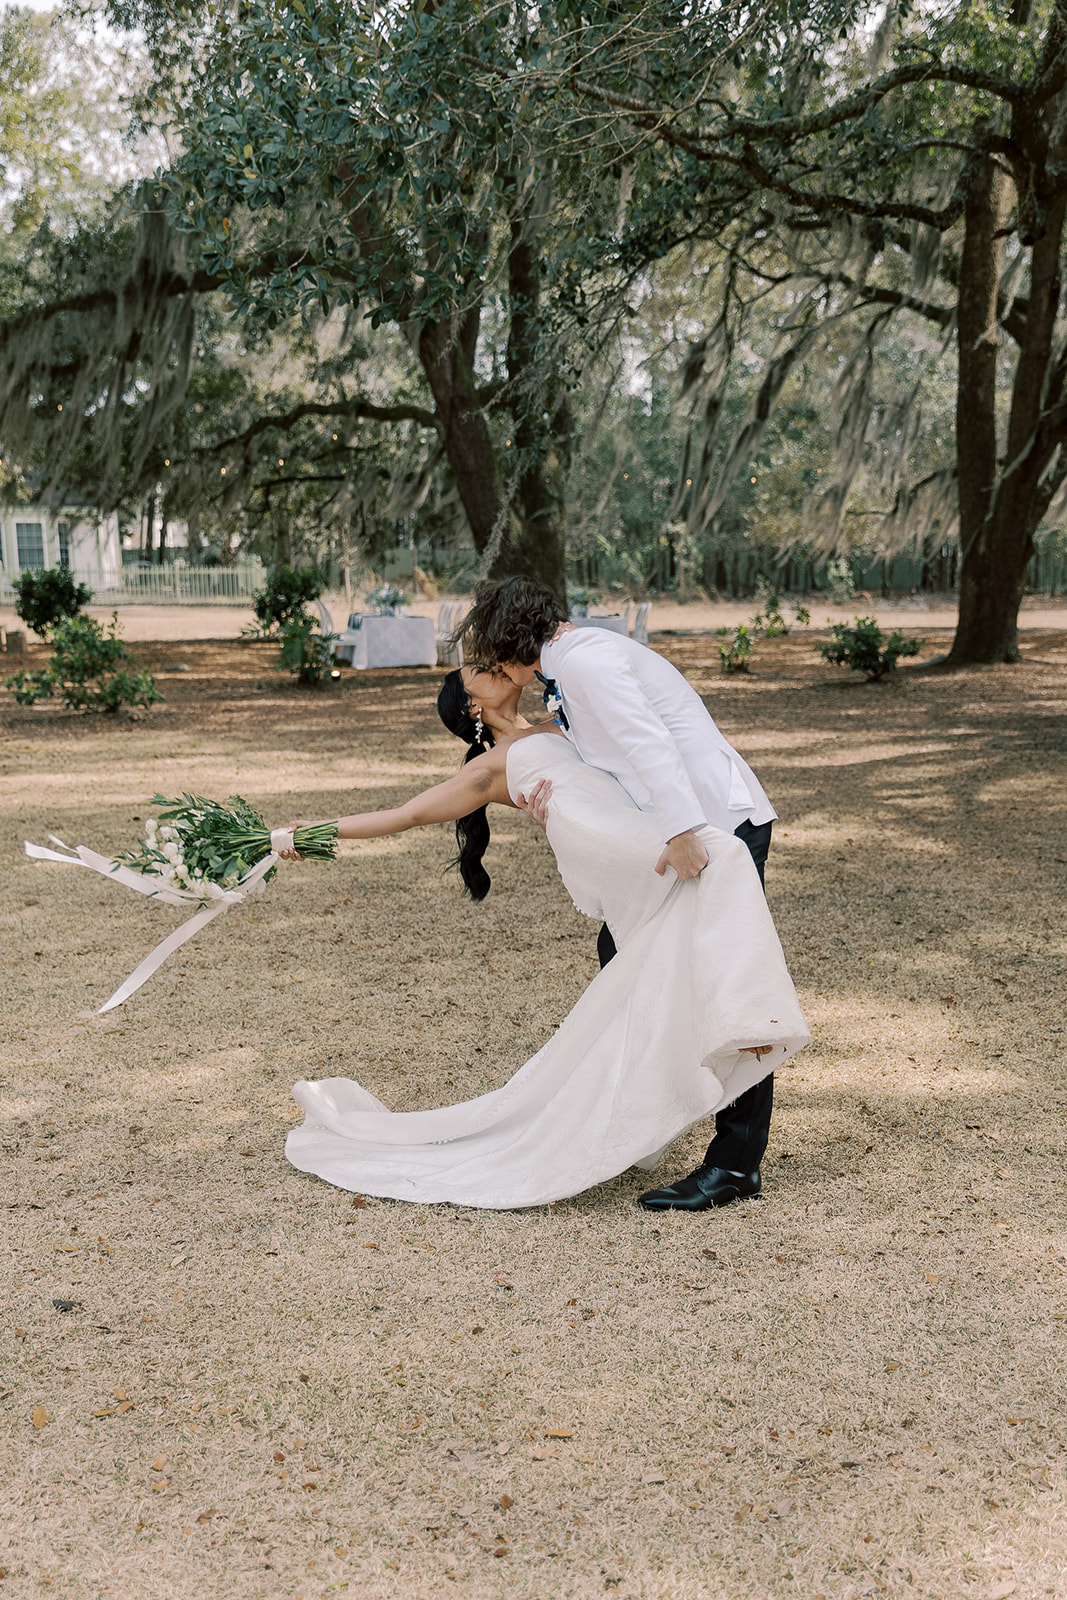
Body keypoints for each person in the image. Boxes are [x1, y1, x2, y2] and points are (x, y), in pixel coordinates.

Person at [274, 666, 808, 1211]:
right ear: (472, 709)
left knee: (663, 963)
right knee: (723, 861)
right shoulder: (492, 764)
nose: (493, 666)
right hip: (616, 847)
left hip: (635, 833)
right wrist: (307, 835)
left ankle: (713, 1099)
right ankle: (730, 1095)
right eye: (478, 673)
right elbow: (407, 813)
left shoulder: (563, 722)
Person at [458, 575, 782, 1212]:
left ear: (511, 644)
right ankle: (641, 1117)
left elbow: (648, 743)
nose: (488, 665)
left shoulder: (586, 664)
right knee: (622, 961)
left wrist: (684, 832)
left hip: (715, 827)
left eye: (490, 651)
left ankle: (736, 1165)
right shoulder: (572, 667)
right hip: (683, 832)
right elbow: (607, 753)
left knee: (727, 983)